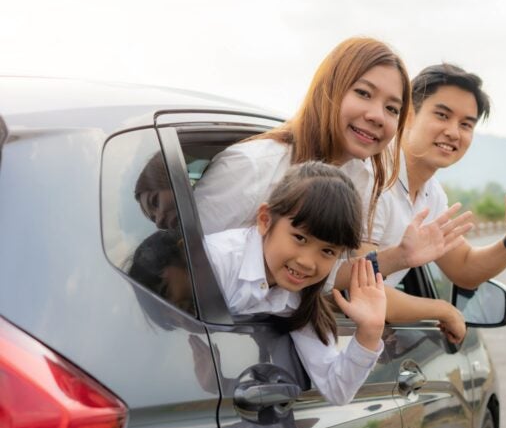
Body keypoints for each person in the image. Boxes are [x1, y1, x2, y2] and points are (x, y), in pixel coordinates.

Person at [193, 36, 472, 291]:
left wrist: (400, 257)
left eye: (391, 109)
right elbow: (183, 267)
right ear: (329, 88)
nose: (377, 116)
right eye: (363, 93)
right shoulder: (252, 167)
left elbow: (326, 279)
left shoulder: (359, 178)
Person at [364, 64, 506, 331]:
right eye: (442, 115)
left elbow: (464, 268)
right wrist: (443, 311)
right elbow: (356, 286)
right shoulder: (371, 175)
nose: (453, 132)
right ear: (408, 115)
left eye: (466, 124)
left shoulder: (431, 193)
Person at [203, 162, 386, 406]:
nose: (308, 262)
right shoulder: (215, 262)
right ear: (265, 220)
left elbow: (337, 390)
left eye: (328, 251)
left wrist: (370, 331)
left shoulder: (301, 298)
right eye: (300, 238)